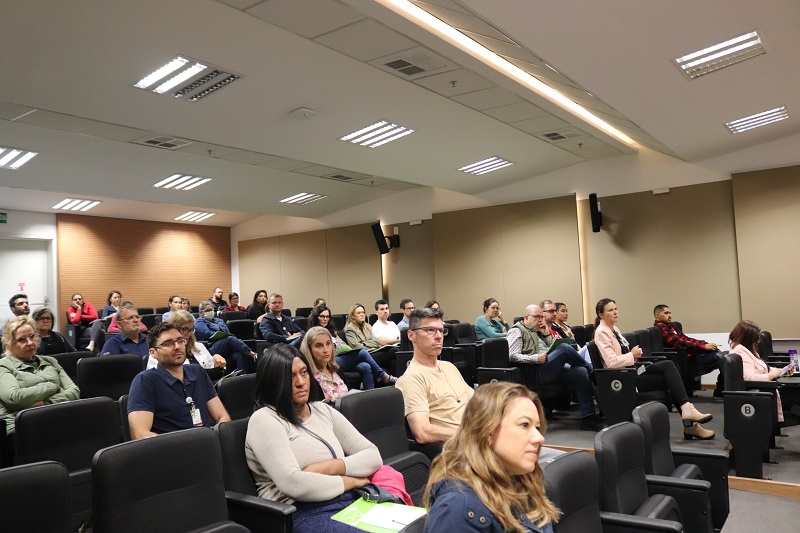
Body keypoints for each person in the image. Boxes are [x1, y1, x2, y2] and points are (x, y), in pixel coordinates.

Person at [245, 344, 382, 533]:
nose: (301, 382)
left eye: (304, 373)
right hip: (302, 511)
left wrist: (328, 467)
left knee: (413, 525)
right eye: (290, 377)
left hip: (350, 499)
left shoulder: (322, 410)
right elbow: (294, 484)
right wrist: (351, 481)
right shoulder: (264, 420)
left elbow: (373, 456)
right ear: (273, 382)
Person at [425, 382, 559, 533]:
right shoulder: (457, 508)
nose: (539, 438)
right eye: (524, 425)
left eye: (537, 427)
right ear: (488, 431)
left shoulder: (525, 481)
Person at [594, 298, 714, 440]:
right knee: (670, 379)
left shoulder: (615, 330)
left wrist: (633, 355)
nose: (615, 312)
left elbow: (622, 355)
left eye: (616, 309)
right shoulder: (602, 333)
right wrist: (632, 355)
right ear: (601, 315)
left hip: (632, 369)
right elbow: (612, 362)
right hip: (624, 378)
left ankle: (688, 411)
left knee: (668, 365)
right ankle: (690, 423)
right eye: (610, 310)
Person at [506, 304, 604, 431]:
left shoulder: (537, 330)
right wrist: (535, 358)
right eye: (537, 317)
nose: (540, 320)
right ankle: (593, 371)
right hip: (533, 372)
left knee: (580, 372)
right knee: (564, 349)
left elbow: (549, 348)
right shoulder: (517, 331)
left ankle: (588, 418)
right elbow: (511, 355)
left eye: (542, 317)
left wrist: (546, 334)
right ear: (526, 317)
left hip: (546, 367)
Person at [127, 322, 231, 439]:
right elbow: (140, 434)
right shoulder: (145, 381)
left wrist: (217, 439)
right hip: (172, 447)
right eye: (168, 343)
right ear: (153, 353)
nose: (177, 347)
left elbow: (223, 417)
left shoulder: (197, 372)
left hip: (207, 442)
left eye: (180, 341)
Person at [396, 307, 474, 445]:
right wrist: (471, 436)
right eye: (430, 330)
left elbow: (477, 402)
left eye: (441, 330)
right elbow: (423, 432)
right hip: (460, 446)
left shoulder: (449, 367)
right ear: (411, 335)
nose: (439, 336)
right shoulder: (411, 379)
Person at [0, 316, 80, 435]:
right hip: (21, 427)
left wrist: (45, 403)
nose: (30, 343)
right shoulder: (3, 366)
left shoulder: (50, 361)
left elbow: (74, 392)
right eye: (22, 339)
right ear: (9, 345)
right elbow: (14, 398)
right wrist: (53, 387)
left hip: (57, 417)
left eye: (32, 336)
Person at [729, 320, 800, 425]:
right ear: (748, 338)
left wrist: (783, 370)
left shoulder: (747, 349)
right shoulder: (741, 352)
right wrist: (773, 374)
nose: (758, 341)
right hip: (766, 390)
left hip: (769, 385)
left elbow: (763, 368)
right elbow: (750, 378)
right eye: (756, 338)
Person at [308, 306, 394, 389]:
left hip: (342, 357)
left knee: (366, 366)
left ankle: (370, 394)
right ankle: (384, 376)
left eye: (327, 317)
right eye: (322, 316)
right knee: (362, 352)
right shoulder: (313, 333)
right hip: (330, 360)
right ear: (316, 317)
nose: (325, 319)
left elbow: (342, 344)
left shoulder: (332, 332)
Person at [653, 304, 723, 394]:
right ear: (657, 315)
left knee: (719, 354)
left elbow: (686, 339)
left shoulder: (671, 326)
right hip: (682, 359)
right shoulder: (660, 328)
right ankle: (720, 391)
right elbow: (679, 343)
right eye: (666, 313)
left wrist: (704, 344)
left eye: (670, 313)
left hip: (688, 355)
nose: (669, 315)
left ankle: (721, 390)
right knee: (720, 358)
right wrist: (703, 347)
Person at [146, 310, 227, 370]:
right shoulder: (160, 351)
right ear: (172, 328)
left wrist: (216, 361)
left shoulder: (199, 346)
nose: (187, 333)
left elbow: (212, 368)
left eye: (190, 330)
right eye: (184, 329)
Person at [195, 300, 257, 373]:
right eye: (207, 310)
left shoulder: (219, 320)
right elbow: (206, 333)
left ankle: (243, 376)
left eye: (211, 310)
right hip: (211, 346)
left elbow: (227, 332)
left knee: (238, 354)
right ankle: (251, 353)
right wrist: (220, 335)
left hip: (225, 345)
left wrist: (223, 336)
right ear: (201, 313)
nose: (210, 312)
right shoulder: (199, 321)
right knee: (230, 339)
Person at [343, 303, 397, 374]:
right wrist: (369, 343)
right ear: (352, 316)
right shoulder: (350, 329)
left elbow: (376, 342)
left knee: (393, 361)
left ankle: (396, 379)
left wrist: (363, 343)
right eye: (359, 313)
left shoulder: (368, 326)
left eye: (363, 312)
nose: (362, 314)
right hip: (363, 356)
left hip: (374, 352)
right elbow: (356, 346)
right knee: (393, 350)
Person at [301, 326, 350, 402]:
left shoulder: (337, 371)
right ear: (309, 350)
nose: (326, 350)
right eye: (319, 346)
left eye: (328, 344)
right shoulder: (310, 379)